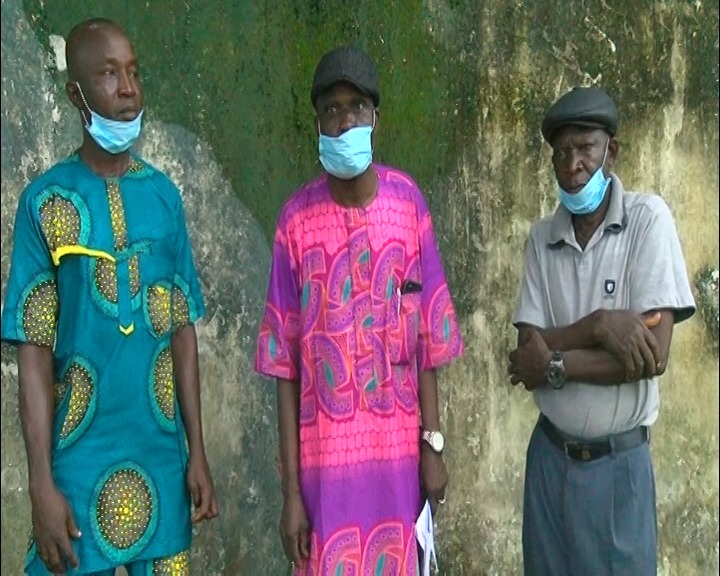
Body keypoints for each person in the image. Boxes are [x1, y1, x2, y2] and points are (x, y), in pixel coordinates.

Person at [1, 18, 218, 575]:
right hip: (76, 466)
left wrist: (196, 452)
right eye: (108, 74)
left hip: (161, 462)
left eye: (134, 73)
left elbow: (182, 334)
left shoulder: (164, 198)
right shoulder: (46, 203)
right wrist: (40, 483)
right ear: (76, 93)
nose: (128, 89)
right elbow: (32, 350)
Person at [254, 45, 464, 574]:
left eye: (356, 108)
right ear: (317, 123)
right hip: (324, 469)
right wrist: (291, 495)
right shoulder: (295, 223)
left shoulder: (408, 204)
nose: (344, 120)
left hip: (398, 464)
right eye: (332, 109)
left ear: (376, 118)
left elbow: (427, 345)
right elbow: (283, 366)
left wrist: (432, 448)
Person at [508, 86, 696, 575]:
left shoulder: (647, 221)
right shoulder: (541, 239)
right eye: (562, 151)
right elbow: (523, 355)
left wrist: (554, 358)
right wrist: (598, 325)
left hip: (618, 469)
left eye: (586, 148)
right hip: (549, 462)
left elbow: (649, 358)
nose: (573, 164)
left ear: (612, 150)